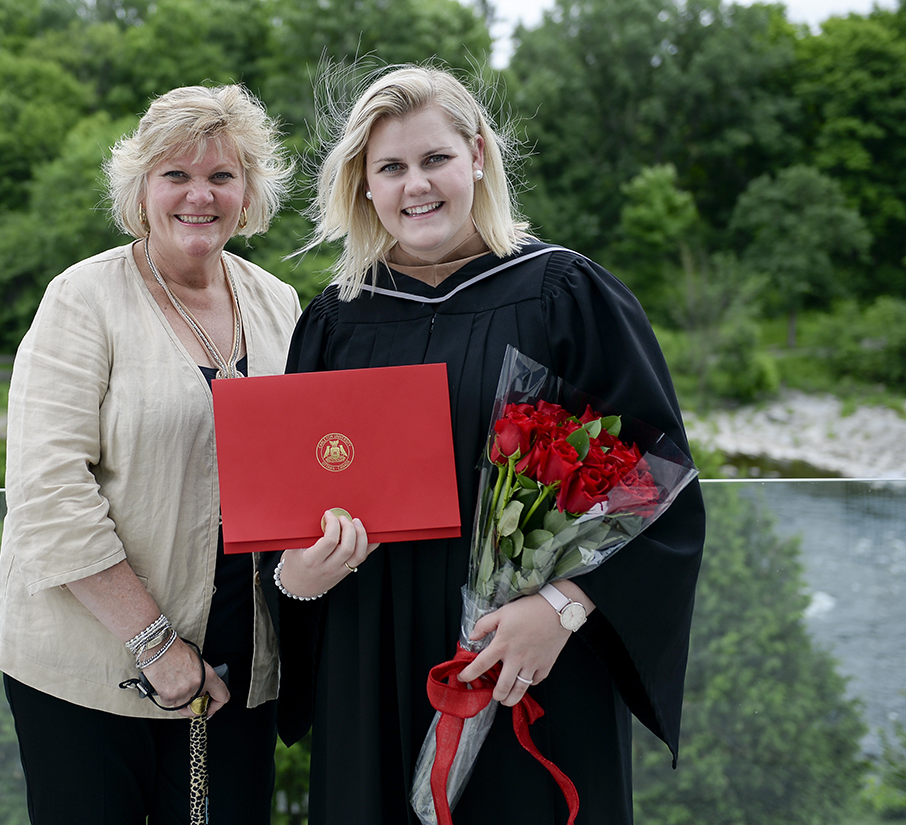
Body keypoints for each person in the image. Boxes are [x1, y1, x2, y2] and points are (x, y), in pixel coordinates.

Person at [264, 65, 706, 824]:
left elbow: (654, 477)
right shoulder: (336, 321)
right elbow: (295, 504)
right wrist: (297, 578)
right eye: (391, 167)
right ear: (363, 186)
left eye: (434, 158)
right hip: (369, 658)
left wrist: (562, 607)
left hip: (524, 657)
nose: (416, 186)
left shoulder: (565, 294)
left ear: (476, 156)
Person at [0, 84, 305, 824]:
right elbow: (48, 493)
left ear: (249, 192)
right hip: (92, 666)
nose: (200, 195)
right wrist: (157, 645)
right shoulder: (82, 298)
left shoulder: (281, 304)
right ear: (141, 188)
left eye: (222, 176)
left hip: (238, 670)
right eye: (177, 175)